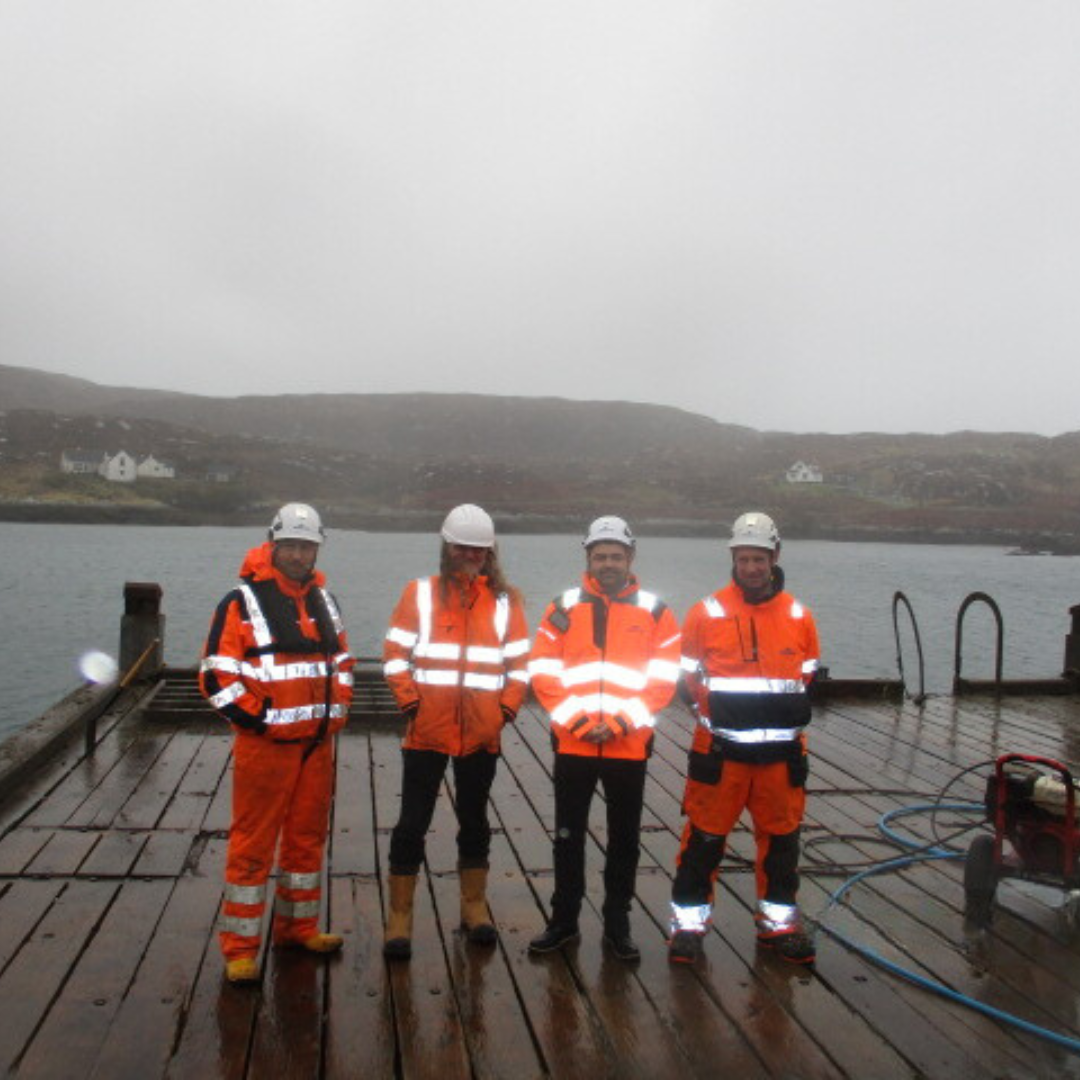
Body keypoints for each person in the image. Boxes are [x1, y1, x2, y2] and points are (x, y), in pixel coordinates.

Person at [199, 503, 355, 984]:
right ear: (273, 545)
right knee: (252, 845)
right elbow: (216, 676)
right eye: (291, 545)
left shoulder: (325, 601)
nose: (299, 554)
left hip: (315, 747)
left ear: (316, 550)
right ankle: (241, 949)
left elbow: (342, 662)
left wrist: (338, 709)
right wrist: (261, 720)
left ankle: (297, 928)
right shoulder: (239, 602)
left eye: (307, 546)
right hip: (265, 746)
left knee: (307, 842)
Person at [669, 511, 820, 965]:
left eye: (759, 558)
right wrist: (717, 718)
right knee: (704, 842)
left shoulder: (798, 615)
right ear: (733, 559)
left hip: (780, 756)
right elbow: (688, 678)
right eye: (743, 558)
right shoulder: (706, 612)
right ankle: (689, 929)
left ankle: (779, 926)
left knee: (781, 843)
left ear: (775, 557)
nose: (751, 567)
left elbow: (807, 675)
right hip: (721, 753)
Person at [528, 516, 681, 961]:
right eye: (600, 556)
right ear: (588, 559)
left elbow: (662, 682)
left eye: (616, 556)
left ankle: (618, 923)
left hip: (627, 747)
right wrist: (578, 723)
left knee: (625, 840)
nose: (608, 563)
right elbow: (543, 672)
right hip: (574, 746)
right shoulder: (561, 608)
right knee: (567, 836)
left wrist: (615, 725)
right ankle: (564, 921)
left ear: (630, 558)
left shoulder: (656, 611)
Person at [381, 504, 530, 959]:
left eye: (480, 549)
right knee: (412, 822)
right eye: (464, 547)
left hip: (482, 734)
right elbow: (393, 654)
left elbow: (520, 665)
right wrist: (409, 700)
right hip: (427, 730)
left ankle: (473, 907)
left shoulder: (507, 602)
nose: (471, 555)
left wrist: (504, 710)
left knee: (475, 820)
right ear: (447, 547)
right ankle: (400, 917)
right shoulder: (420, 594)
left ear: (490, 552)